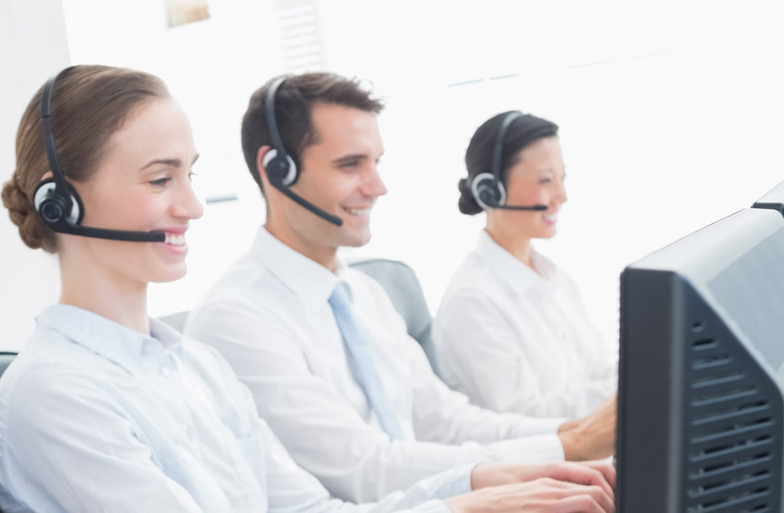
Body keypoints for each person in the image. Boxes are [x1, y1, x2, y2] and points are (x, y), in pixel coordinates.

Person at [0, 65, 616, 513]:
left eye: (191, 175)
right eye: (160, 180)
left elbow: (310, 505)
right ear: (61, 199)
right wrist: (466, 503)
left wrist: (489, 482)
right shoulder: (59, 394)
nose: (193, 206)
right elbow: (363, 468)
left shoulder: (197, 366)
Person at [186, 74, 618, 503]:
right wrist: (571, 446)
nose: (378, 187)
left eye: (377, 162)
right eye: (350, 164)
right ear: (277, 171)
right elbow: (367, 468)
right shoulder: (235, 319)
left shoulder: (365, 293)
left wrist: (574, 435)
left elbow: (447, 422)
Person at [430, 111, 616, 419]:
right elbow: (527, 416)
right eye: (546, 180)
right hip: (543, 463)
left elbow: (599, 372)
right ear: (492, 190)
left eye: (562, 178)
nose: (562, 196)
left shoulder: (556, 279)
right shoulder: (473, 300)